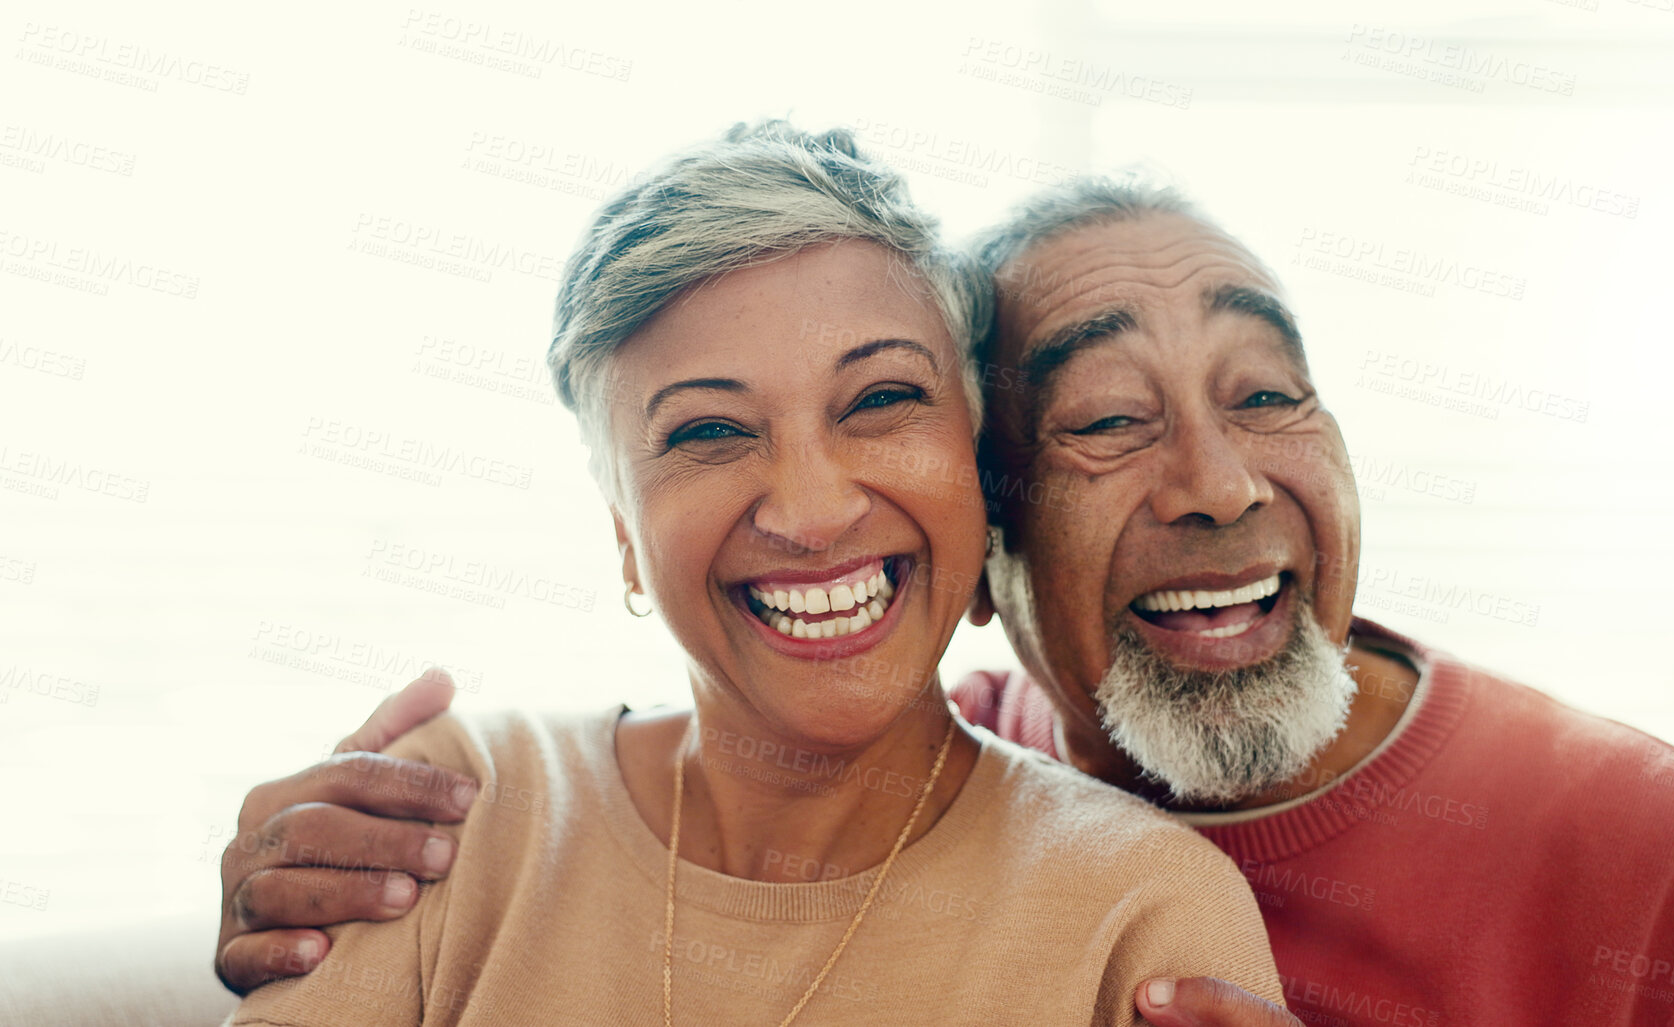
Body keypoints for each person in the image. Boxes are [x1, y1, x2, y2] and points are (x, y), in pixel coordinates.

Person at [217, 170, 1674, 1026]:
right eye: (1103, 421)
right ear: (982, 555)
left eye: (1268, 393)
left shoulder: (1631, 838)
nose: (1220, 482)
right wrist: (313, 864)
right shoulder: (964, 764)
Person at [220, 122, 1281, 1027]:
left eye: (878, 401)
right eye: (711, 430)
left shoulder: (1144, 911)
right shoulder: (449, 812)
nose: (812, 513)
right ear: (624, 532)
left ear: (976, 469)